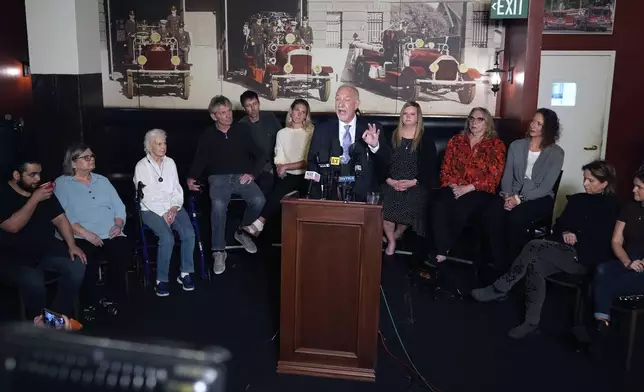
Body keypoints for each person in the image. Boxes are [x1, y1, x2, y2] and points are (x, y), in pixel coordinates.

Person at [471, 160, 620, 339]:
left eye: (591, 181)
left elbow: (605, 242)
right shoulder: (578, 199)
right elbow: (559, 226)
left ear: (604, 183)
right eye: (585, 179)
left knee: (534, 245)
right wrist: (566, 231)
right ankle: (531, 322)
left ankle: (500, 287)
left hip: (584, 258)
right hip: (562, 251)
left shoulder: (613, 207)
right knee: (536, 265)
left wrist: (577, 238)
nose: (585, 183)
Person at [187, 96, 266, 275]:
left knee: (259, 200)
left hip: (241, 176)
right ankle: (218, 251)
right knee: (219, 205)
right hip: (218, 178)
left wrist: (253, 173)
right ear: (214, 116)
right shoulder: (208, 134)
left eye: (229, 111)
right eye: (222, 113)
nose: (228, 115)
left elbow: (261, 155)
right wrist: (191, 177)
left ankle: (242, 231)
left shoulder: (243, 130)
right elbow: (200, 159)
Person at [0, 157, 86, 320]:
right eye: (32, 175)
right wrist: (34, 199)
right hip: (12, 254)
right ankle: (39, 319)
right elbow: (12, 226)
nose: (38, 179)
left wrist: (72, 244)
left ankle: (53, 318)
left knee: (77, 265)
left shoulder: (42, 192)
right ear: (17, 175)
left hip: (45, 249)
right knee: (34, 281)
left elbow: (60, 218)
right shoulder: (4, 194)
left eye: (39, 174)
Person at [54, 144, 130, 321]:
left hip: (109, 232)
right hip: (79, 234)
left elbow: (119, 206)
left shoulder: (102, 180)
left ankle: (111, 299)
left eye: (92, 156)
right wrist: (85, 233)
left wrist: (118, 225)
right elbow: (61, 215)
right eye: (86, 157)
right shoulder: (62, 183)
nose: (92, 159)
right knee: (87, 258)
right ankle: (90, 302)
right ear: (73, 163)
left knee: (121, 252)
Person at [484, 108, 565, 269]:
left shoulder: (556, 153)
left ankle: (515, 265)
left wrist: (519, 199)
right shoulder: (517, 145)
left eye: (539, 123)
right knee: (492, 211)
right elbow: (507, 175)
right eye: (533, 121)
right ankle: (497, 262)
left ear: (548, 128)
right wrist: (508, 196)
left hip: (539, 198)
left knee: (516, 217)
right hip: (512, 193)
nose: (533, 125)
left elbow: (546, 186)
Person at [431, 107, 506, 264]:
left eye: (479, 119)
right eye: (471, 119)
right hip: (454, 186)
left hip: (478, 190)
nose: (474, 122)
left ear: (487, 123)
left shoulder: (496, 145)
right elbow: (445, 167)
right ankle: (441, 249)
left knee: (461, 207)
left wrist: (468, 188)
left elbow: (494, 176)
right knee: (439, 203)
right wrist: (453, 185)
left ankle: (447, 247)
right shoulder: (456, 141)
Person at [134, 129, 196, 297]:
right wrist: (164, 213)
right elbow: (146, 196)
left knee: (189, 233)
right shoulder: (141, 166)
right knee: (167, 238)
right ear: (149, 146)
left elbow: (177, 188)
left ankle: (185, 273)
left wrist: (174, 208)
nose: (163, 147)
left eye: (164, 143)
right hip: (151, 209)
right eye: (159, 144)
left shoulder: (170, 163)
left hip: (172, 207)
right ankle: (161, 280)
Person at [306, 84, 391, 202]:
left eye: (346, 100)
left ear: (356, 104)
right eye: (337, 99)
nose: (340, 104)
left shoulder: (372, 128)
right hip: (330, 195)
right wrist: (317, 193)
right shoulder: (322, 129)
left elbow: (386, 163)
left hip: (363, 196)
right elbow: (312, 162)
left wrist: (374, 146)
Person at [244, 99, 314, 237]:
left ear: (306, 116)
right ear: (291, 111)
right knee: (279, 187)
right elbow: (279, 157)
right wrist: (279, 167)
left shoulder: (310, 132)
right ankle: (260, 225)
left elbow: (308, 161)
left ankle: (259, 223)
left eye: (303, 112)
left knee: (291, 185)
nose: (299, 114)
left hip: (307, 175)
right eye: (297, 110)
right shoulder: (282, 133)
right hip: (288, 175)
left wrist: (286, 166)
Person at [592, 168, 644, 334]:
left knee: (603, 283)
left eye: (639, 187)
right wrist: (627, 262)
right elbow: (616, 241)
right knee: (601, 270)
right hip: (628, 260)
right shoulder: (630, 208)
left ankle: (601, 324)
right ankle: (602, 324)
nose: (633, 189)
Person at [381, 101, 436, 256]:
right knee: (386, 202)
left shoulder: (425, 139)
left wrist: (413, 182)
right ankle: (391, 241)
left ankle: (397, 234)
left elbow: (429, 168)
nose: (408, 117)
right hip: (391, 182)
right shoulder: (390, 135)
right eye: (405, 113)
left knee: (412, 202)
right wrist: (390, 181)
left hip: (415, 183)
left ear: (418, 117)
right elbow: (381, 162)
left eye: (412, 114)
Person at [239, 90, 282, 197]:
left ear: (259, 103)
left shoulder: (270, 118)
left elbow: (282, 140)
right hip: (252, 167)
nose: (253, 108)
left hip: (272, 164)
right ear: (244, 108)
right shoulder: (241, 125)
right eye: (248, 106)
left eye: (255, 104)